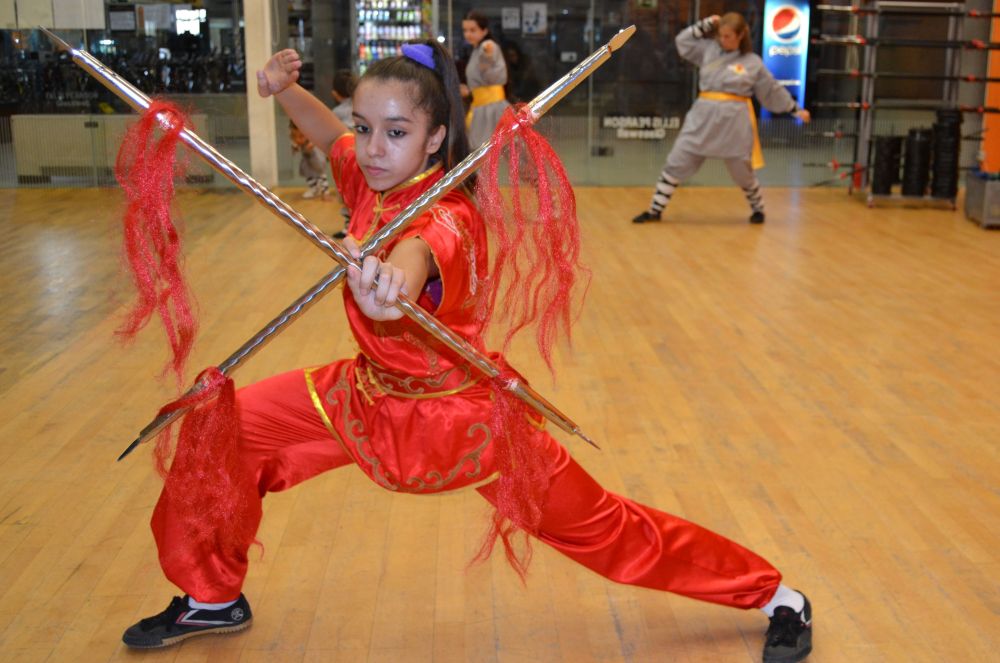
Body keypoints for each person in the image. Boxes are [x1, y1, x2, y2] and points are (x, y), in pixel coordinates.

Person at [120, 40, 813, 663]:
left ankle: (775, 594)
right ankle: (212, 596)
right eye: (367, 128)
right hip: (364, 396)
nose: (371, 147)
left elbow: (419, 256)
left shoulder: (447, 215)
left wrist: (388, 285)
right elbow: (331, 135)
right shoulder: (371, 173)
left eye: (395, 132)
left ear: (436, 139)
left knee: (606, 529)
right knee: (224, 427)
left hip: (464, 420)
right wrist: (284, 92)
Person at [632, 13, 811, 225]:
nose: (723, 40)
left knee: (742, 170)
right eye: (720, 36)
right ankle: (655, 210)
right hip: (702, 118)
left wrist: (794, 109)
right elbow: (683, 41)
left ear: (741, 35)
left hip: (734, 123)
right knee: (677, 160)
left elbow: (771, 89)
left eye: (728, 36)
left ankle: (758, 209)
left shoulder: (753, 63)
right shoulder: (708, 50)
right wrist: (705, 25)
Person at [460, 10, 510, 148]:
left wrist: (486, 55)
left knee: (482, 152)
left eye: (472, 30)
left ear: (484, 31)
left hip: (491, 108)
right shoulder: (476, 50)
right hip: (482, 107)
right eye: (465, 30)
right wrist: (469, 91)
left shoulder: (486, 47)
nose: (468, 34)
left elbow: (489, 67)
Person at [329, 68, 358, 238]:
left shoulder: (337, 113)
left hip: (345, 161)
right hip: (361, 158)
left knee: (345, 193)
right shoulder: (363, 107)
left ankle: (349, 227)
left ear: (335, 93)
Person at [289, 120, 329, 200]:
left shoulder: (311, 134)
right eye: (294, 136)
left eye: (301, 136)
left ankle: (325, 192)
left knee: (320, 173)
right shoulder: (295, 132)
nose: (298, 139)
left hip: (316, 156)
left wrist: (311, 144)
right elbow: (296, 144)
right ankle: (314, 189)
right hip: (307, 157)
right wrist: (295, 147)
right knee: (307, 172)